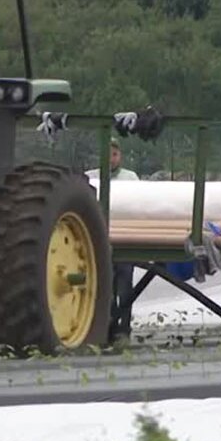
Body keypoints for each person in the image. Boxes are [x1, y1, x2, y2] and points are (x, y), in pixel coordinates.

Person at [86, 139, 138, 342]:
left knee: (125, 287)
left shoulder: (130, 178)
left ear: (120, 156)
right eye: (107, 154)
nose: (111, 159)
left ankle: (124, 328)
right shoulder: (91, 177)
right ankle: (107, 327)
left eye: (114, 154)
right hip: (100, 238)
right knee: (104, 287)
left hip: (125, 237)